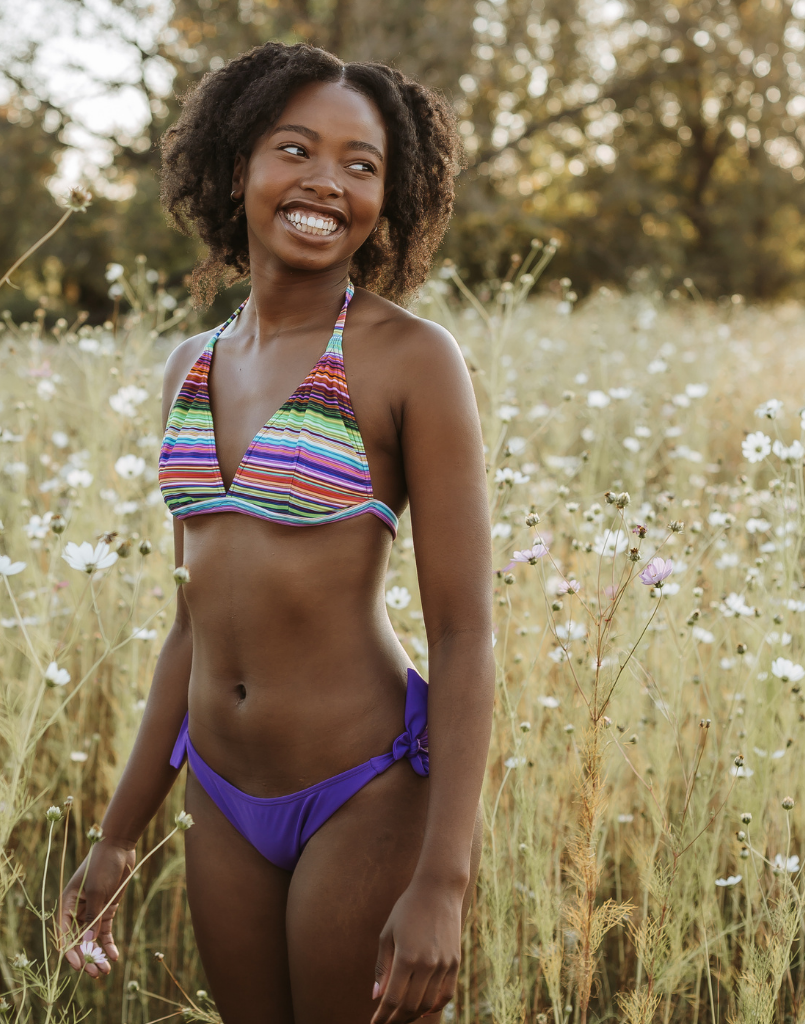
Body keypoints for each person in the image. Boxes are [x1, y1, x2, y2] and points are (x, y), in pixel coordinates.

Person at [60, 41, 494, 1024]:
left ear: (393, 195)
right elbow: (191, 624)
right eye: (295, 148)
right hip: (219, 793)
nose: (325, 183)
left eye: (361, 163)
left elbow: (466, 633)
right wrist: (119, 832)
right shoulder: (190, 366)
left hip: (364, 791)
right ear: (239, 165)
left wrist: (443, 879)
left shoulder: (410, 360)